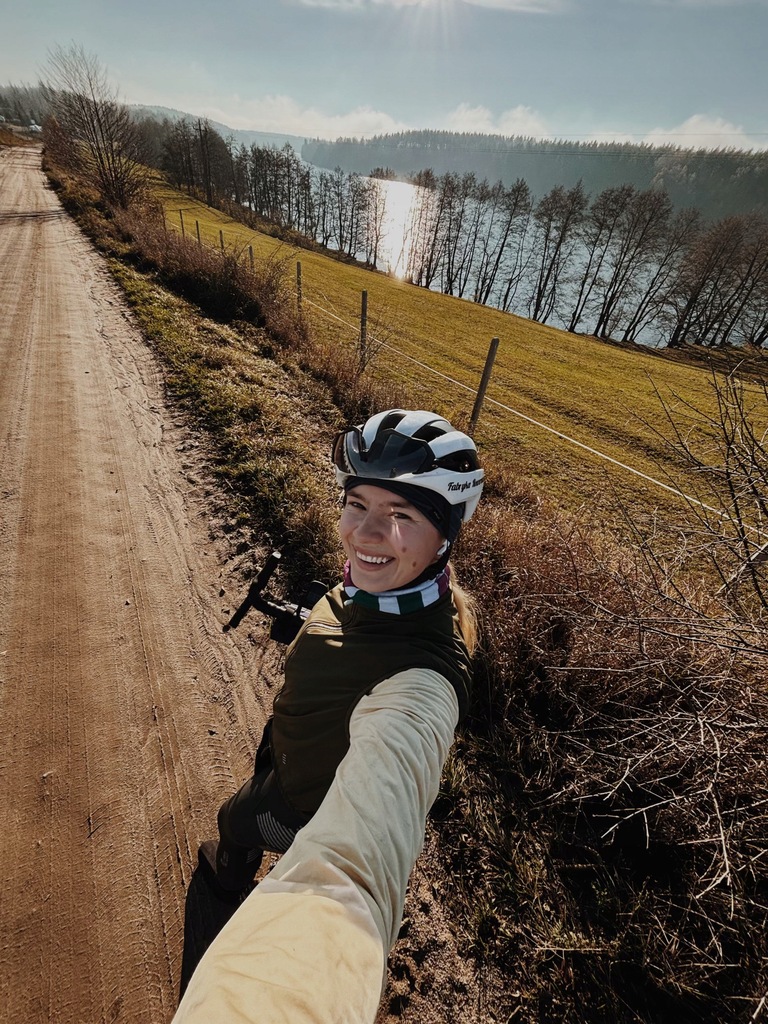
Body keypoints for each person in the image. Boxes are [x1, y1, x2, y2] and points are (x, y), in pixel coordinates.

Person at [178, 408, 484, 1022]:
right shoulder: (380, 591)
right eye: (357, 503)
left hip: (300, 807)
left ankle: (227, 879)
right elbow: (347, 623)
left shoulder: (425, 684)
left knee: (234, 821)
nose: (365, 533)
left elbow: (353, 860)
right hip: (289, 749)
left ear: (445, 537)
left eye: (402, 515)